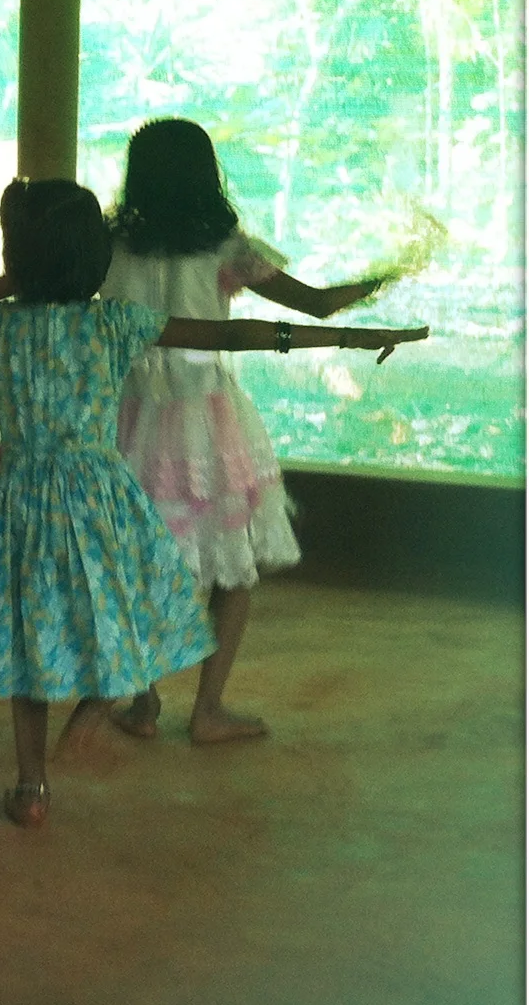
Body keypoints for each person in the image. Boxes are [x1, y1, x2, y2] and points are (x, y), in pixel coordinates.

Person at [0, 178, 427, 829]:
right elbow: (230, 335)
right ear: (93, 257)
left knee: (27, 639)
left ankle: (31, 787)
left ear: (16, 259)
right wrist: (351, 336)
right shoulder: (116, 322)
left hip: (23, 497)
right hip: (100, 492)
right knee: (141, 610)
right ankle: (102, 702)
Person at [102, 117, 409, 746]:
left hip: (126, 415)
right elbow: (317, 304)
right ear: (205, 175)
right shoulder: (225, 247)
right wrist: (384, 278)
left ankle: (143, 700)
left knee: (134, 560)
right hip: (205, 416)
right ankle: (208, 709)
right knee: (233, 569)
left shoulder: (108, 246)